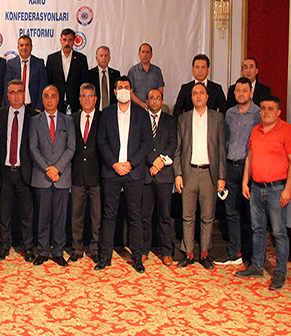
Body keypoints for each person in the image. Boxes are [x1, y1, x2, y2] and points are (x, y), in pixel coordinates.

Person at [236, 96, 291, 290]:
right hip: (256, 188)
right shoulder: (256, 130)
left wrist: (288, 189)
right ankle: (256, 266)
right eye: (263, 108)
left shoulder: (288, 131)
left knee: (279, 233)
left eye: (270, 109)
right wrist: (245, 182)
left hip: (277, 189)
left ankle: (280, 273)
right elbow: (250, 157)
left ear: (279, 112)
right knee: (257, 229)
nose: (265, 112)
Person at [94, 77, 151, 273]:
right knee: (109, 215)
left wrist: (131, 163)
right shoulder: (107, 113)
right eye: (120, 87)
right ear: (115, 91)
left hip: (134, 172)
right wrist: (114, 163)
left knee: (135, 216)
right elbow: (101, 141)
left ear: (131, 90)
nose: (124, 90)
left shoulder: (141, 114)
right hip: (112, 171)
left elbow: (146, 142)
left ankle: (137, 258)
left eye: (127, 87)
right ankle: (105, 257)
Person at [174, 83, 226, 270]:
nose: (198, 96)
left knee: (207, 216)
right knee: (187, 216)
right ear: (191, 97)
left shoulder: (217, 118)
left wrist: (221, 177)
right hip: (189, 172)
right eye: (194, 93)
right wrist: (178, 174)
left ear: (207, 96)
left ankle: (204, 254)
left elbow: (221, 149)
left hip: (209, 174)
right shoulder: (183, 119)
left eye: (201, 93)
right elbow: (178, 149)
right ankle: (188, 253)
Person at [216, 77, 261, 267]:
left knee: (252, 214)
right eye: (238, 91)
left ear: (251, 92)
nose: (241, 94)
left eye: (245, 90)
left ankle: (253, 256)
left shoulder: (258, 114)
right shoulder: (229, 113)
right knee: (231, 212)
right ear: (234, 93)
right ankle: (235, 253)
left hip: (249, 168)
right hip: (230, 167)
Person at [29, 85, 76, 267]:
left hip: (61, 177)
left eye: (53, 96)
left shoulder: (68, 121)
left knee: (60, 217)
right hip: (42, 176)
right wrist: (48, 168)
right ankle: (42, 251)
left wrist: (57, 169)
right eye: (46, 96)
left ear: (58, 99)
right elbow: (33, 148)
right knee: (42, 217)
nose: (49, 100)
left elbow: (71, 148)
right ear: (42, 99)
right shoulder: (35, 121)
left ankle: (57, 251)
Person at [0, 79, 37, 262]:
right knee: (4, 212)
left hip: (24, 172)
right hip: (4, 171)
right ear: (7, 95)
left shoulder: (33, 116)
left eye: (20, 92)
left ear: (24, 94)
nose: (16, 96)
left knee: (27, 214)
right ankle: (4, 246)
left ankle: (28, 247)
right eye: (12, 92)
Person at [142, 89, 177, 266]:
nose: (155, 101)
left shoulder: (171, 120)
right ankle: (144, 250)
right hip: (146, 174)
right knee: (145, 216)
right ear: (147, 102)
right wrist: (152, 162)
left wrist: (160, 163)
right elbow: (139, 144)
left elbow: (173, 144)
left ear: (162, 101)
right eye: (151, 98)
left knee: (165, 216)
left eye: (158, 98)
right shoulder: (141, 120)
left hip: (164, 175)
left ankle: (166, 252)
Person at [70, 83, 102, 263]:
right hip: (77, 174)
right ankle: (77, 248)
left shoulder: (103, 117)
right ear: (80, 99)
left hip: (97, 174)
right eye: (84, 96)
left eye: (90, 96)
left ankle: (95, 249)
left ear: (95, 99)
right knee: (76, 215)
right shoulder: (73, 118)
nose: (87, 99)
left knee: (96, 217)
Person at [46, 28, 89, 114]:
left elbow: (84, 83)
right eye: (64, 40)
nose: (67, 43)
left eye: (70, 40)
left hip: (75, 104)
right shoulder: (52, 59)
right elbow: (49, 82)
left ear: (74, 41)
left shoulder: (81, 59)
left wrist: (82, 105)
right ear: (60, 41)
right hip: (56, 104)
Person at [3, 35, 48, 112]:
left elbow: (43, 87)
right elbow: (7, 86)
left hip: (33, 108)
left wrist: (39, 107)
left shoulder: (39, 63)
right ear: (18, 48)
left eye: (27, 45)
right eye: (21, 45)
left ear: (31, 47)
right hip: (15, 107)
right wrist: (10, 106)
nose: (24, 48)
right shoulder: (11, 64)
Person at [129, 43, 165, 110]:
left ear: (151, 55)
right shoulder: (132, 71)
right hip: (136, 108)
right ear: (139, 54)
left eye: (147, 52)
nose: (145, 55)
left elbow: (160, 90)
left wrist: (154, 104)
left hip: (153, 109)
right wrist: (143, 105)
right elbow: (130, 92)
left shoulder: (157, 71)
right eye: (143, 52)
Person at [88, 46, 121, 111]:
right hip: (95, 111)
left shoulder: (116, 74)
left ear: (109, 58)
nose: (104, 58)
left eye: (106, 56)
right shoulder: (89, 74)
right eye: (101, 55)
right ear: (96, 58)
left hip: (112, 111)